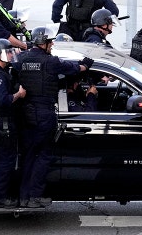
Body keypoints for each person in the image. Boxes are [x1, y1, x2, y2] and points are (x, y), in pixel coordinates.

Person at [17, 26, 93, 208]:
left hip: (26, 114)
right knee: (43, 156)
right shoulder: (51, 62)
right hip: (44, 114)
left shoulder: (21, 59)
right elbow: (75, 68)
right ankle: (35, 196)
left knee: (29, 156)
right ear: (45, 43)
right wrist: (86, 64)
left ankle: (24, 196)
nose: (52, 45)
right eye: (51, 42)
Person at [0, 38, 25, 208]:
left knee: (0, 161)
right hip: (1, 125)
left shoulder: (1, 72)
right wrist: (19, 95)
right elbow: (3, 100)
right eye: (7, 52)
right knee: (4, 162)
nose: (10, 55)